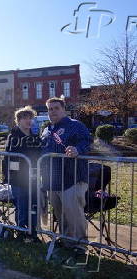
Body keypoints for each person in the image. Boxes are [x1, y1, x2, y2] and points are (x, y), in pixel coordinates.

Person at [40, 97, 92, 255]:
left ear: (63, 109)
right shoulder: (47, 130)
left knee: (74, 214)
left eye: (56, 108)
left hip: (73, 178)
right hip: (53, 180)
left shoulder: (75, 125)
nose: (52, 111)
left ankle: (81, 246)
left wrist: (78, 149)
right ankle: (67, 242)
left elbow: (88, 141)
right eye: (50, 109)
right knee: (60, 214)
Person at [2, 106, 42, 242]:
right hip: (18, 178)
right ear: (18, 121)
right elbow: (7, 158)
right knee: (22, 205)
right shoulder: (13, 136)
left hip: (34, 177)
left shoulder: (36, 136)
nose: (28, 121)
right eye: (25, 118)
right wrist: (8, 176)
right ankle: (21, 232)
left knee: (34, 205)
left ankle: (33, 233)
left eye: (30, 118)